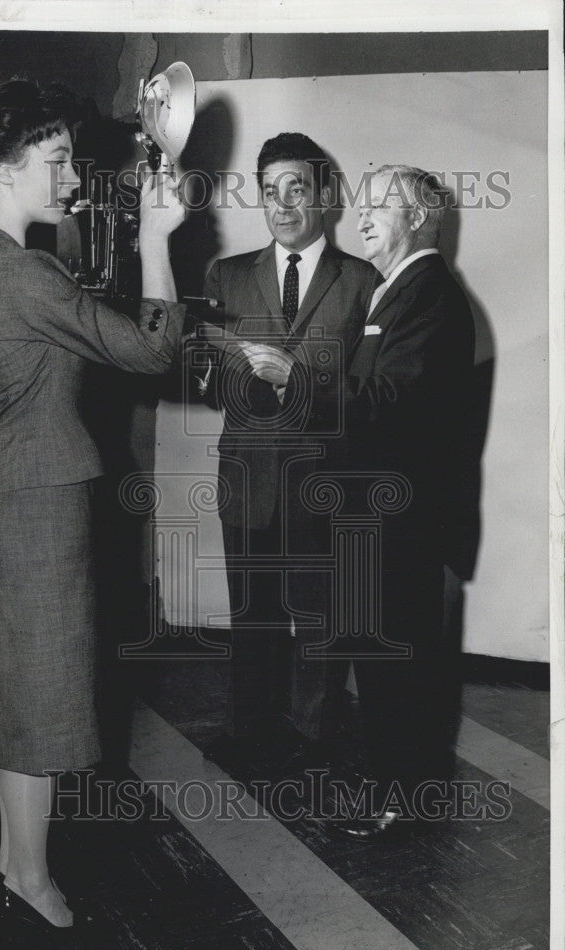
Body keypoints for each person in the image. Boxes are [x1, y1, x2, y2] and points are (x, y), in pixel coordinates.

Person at [0, 78, 186, 928]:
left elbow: (74, 328)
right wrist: (159, 239)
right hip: (39, 505)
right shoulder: (20, 272)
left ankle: (18, 857)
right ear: (8, 168)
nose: (74, 179)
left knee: (23, 692)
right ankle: (31, 876)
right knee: (39, 697)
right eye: (57, 162)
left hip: (19, 494)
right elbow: (153, 351)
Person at [281, 164, 475, 837]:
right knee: (384, 662)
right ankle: (397, 784)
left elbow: (392, 405)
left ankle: (404, 801)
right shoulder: (399, 291)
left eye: (377, 208)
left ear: (418, 217)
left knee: (397, 665)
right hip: (378, 522)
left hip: (400, 527)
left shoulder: (427, 294)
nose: (359, 218)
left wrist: (298, 381)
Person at [199, 133, 378, 762]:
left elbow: (370, 392)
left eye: (297, 188)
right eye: (270, 191)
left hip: (323, 479)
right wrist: (234, 366)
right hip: (247, 472)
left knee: (319, 617)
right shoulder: (226, 276)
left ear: (323, 196)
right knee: (254, 612)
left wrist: (295, 377)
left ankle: (312, 735)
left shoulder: (363, 282)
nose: (283, 204)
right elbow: (205, 381)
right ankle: (249, 728)